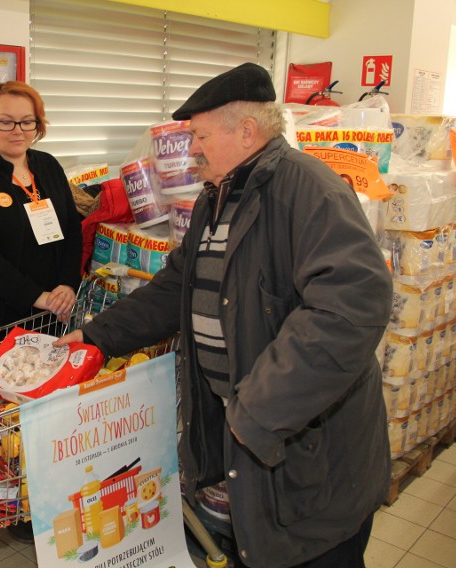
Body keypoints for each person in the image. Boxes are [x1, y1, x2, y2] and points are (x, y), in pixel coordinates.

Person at [56, 63, 393, 568]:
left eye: (199, 135)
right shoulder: (219, 197)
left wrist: (255, 409)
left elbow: (350, 307)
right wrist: (94, 336)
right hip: (254, 444)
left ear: (246, 131)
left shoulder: (309, 191)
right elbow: (175, 288)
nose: (191, 148)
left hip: (309, 452)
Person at [0, 81, 83, 543]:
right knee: (3, 424)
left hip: (46, 318)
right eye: (6, 120)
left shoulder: (47, 166)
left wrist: (67, 286)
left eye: (27, 121)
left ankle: (42, 502)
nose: (16, 129)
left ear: (38, 124)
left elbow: (71, 231)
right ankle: (14, 511)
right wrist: (38, 295)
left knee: (44, 418)